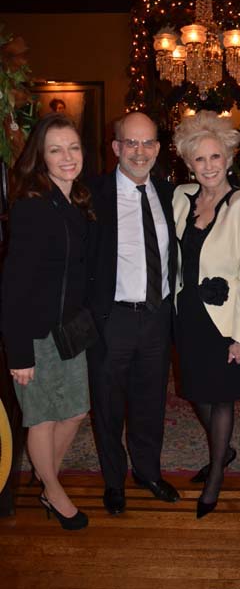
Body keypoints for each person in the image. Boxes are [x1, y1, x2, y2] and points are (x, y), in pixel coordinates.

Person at [1, 113, 95, 530]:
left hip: (69, 331)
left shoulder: (74, 200)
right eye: (55, 150)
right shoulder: (31, 208)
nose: (67, 157)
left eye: (73, 147)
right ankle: (54, 493)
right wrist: (19, 351)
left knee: (74, 411)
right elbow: (14, 286)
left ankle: (46, 480)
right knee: (42, 417)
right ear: (40, 157)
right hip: (36, 335)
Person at [86, 111, 179, 515]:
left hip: (157, 318)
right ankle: (114, 482)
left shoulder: (171, 192)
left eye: (147, 143)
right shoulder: (92, 193)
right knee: (107, 406)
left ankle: (147, 471)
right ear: (116, 147)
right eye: (131, 143)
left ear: (157, 148)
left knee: (150, 402)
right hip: (113, 319)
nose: (139, 152)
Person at [172, 110, 240, 518]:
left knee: (220, 396)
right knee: (196, 391)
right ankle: (224, 451)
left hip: (224, 319)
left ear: (229, 158)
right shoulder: (181, 197)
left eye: (216, 157)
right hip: (187, 312)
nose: (208, 166)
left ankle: (215, 478)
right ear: (189, 163)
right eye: (199, 159)